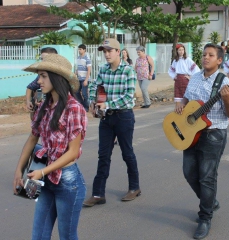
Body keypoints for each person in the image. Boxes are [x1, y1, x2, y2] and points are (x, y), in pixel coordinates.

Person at [13, 54, 87, 239]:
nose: (39, 81)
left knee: (67, 236)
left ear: (56, 77)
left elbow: (72, 152)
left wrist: (43, 172)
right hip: (44, 179)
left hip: (67, 182)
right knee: (38, 236)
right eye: (39, 76)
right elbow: (32, 138)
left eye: (43, 76)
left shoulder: (74, 108)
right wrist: (18, 171)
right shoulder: (44, 106)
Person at [175, 43, 229, 239]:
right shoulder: (194, 78)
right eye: (204, 54)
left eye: (211, 55)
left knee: (207, 177)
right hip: (191, 133)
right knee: (189, 172)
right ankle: (210, 201)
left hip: (214, 134)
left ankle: (205, 217)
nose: (205, 57)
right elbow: (187, 100)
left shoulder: (225, 82)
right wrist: (181, 105)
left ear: (219, 60)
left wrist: (227, 100)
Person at [83, 38, 141, 207]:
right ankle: (98, 193)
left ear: (118, 52)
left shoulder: (128, 71)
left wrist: (106, 104)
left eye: (110, 51)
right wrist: (93, 101)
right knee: (103, 155)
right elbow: (94, 86)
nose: (107, 54)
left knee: (127, 153)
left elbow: (128, 97)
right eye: (104, 51)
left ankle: (134, 187)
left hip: (124, 117)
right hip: (106, 118)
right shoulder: (103, 69)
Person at [26, 47, 58, 112]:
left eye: (45, 59)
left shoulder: (62, 75)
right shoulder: (40, 75)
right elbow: (31, 87)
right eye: (42, 59)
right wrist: (29, 101)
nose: (39, 81)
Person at [168, 43, 200, 108]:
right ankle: (177, 111)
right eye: (180, 50)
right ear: (177, 51)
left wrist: (190, 76)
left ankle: (186, 111)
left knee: (186, 97)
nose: (181, 51)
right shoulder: (175, 61)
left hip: (185, 80)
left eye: (182, 50)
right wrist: (174, 76)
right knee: (178, 97)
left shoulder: (187, 59)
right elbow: (171, 70)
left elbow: (196, 69)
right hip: (178, 81)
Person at [75, 44, 91, 112]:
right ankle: (82, 105)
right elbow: (77, 68)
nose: (79, 50)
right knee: (76, 92)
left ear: (84, 50)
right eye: (79, 49)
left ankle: (86, 107)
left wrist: (86, 80)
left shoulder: (87, 58)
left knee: (84, 94)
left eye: (80, 49)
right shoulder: (78, 58)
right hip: (79, 78)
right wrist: (74, 74)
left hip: (85, 79)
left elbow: (89, 69)